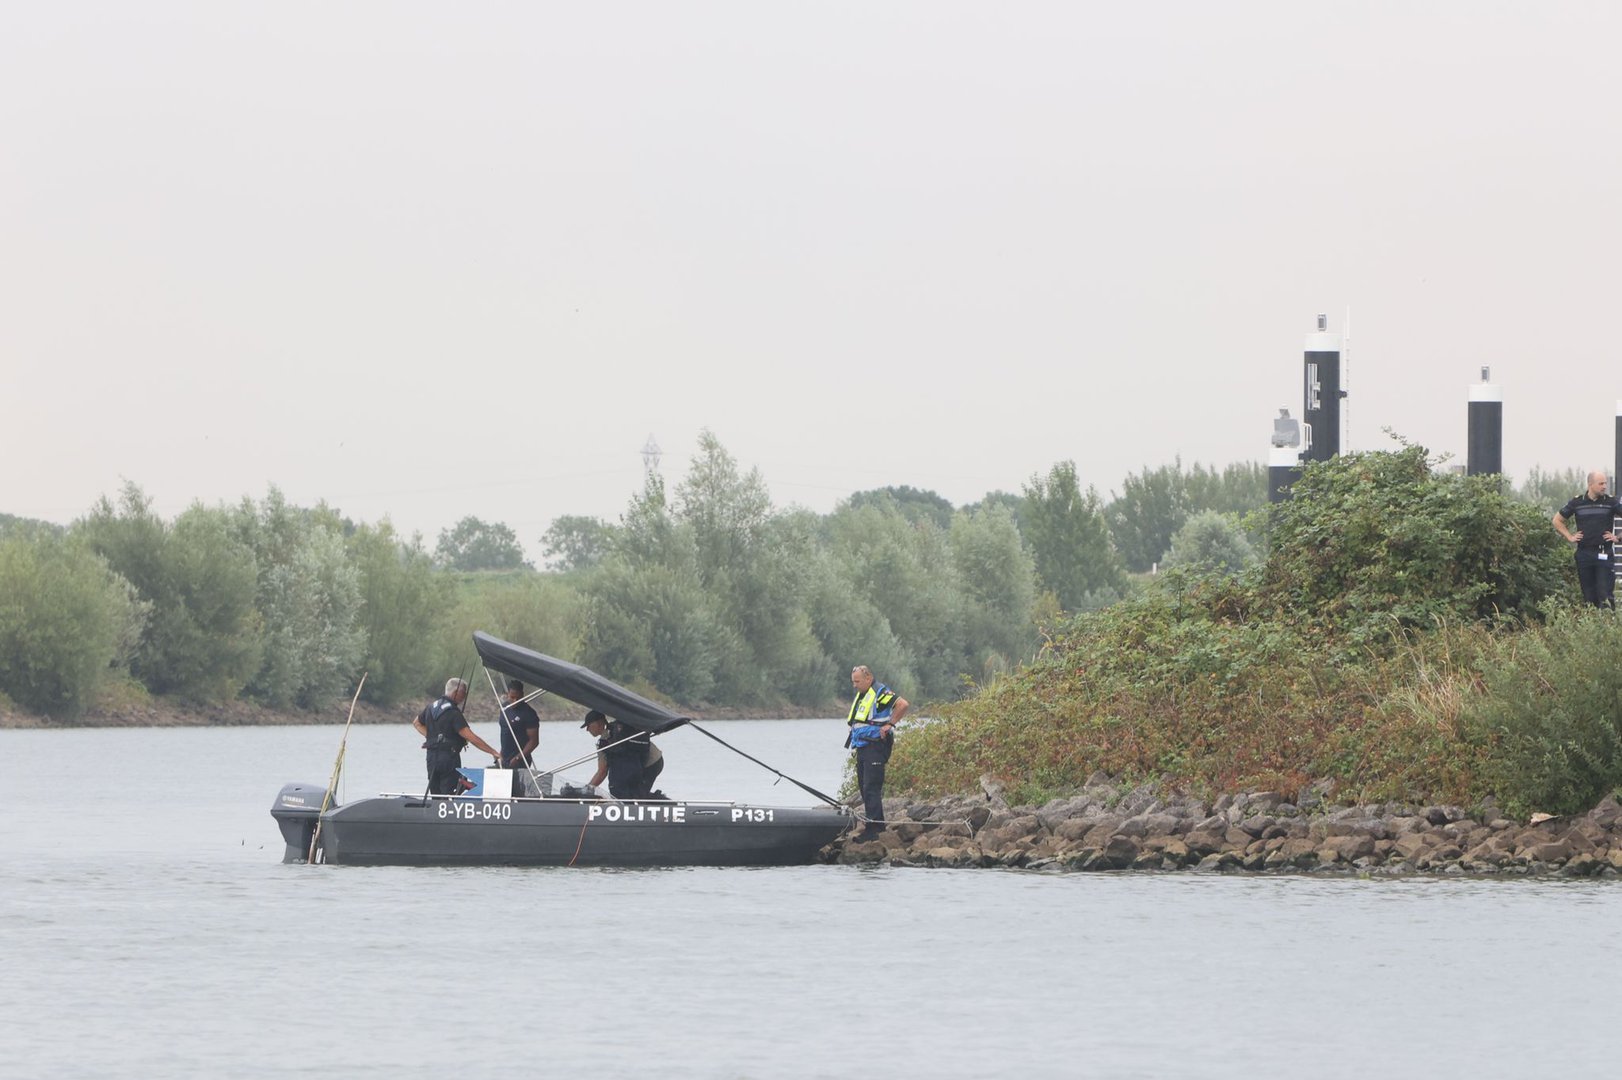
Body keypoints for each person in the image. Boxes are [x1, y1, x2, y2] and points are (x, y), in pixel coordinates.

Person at [845, 665, 908, 840]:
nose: (854, 685)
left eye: (857, 681)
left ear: (868, 678)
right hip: (864, 747)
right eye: (853, 682)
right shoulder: (863, 694)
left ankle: (874, 831)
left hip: (876, 746)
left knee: (871, 787)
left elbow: (902, 705)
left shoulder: (880, 692)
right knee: (864, 787)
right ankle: (874, 825)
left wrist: (891, 724)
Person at [412, 677, 500, 795]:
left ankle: (436, 811)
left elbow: (417, 723)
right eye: (464, 693)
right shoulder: (453, 712)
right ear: (456, 692)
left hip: (431, 758)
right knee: (449, 792)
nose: (464, 697)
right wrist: (493, 752)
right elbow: (470, 736)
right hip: (448, 758)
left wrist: (433, 738)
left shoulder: (430, 707)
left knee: (436, 793)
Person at [1553, 469, 1622, 607]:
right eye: (1601, 483)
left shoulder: (1611, 502)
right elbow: (1557, 520)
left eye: (1605, 483)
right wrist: (1570, 537)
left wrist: (1618, 538)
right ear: (1590, 484)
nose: (1604, 486)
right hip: (1584, 553)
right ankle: (1592, 626)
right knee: (1589, 595)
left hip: (1604, 553)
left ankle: (1608, 625)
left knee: (1605, 595)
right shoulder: (1577, 502)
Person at [582, 710, 666, 800]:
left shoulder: (605, 740)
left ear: (598, 723)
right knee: (634, 793)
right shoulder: (617, 730)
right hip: (653, 761)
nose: (587, 730)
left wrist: (587, 790)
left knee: (637, 795)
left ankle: (664, 804)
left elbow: (602, 772)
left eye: (588, 726)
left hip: (651, 764)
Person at [497, 679, 541, 771]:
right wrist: (500, 753)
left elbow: (534, 741)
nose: (515, 701)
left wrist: (518, 758)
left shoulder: (529, 713)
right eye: (512, 697)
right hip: (505, 758)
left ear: (523, 694)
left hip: (520, 760)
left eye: (518, 698)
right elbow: (505, 732)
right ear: (507, 694)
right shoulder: (504, 708)